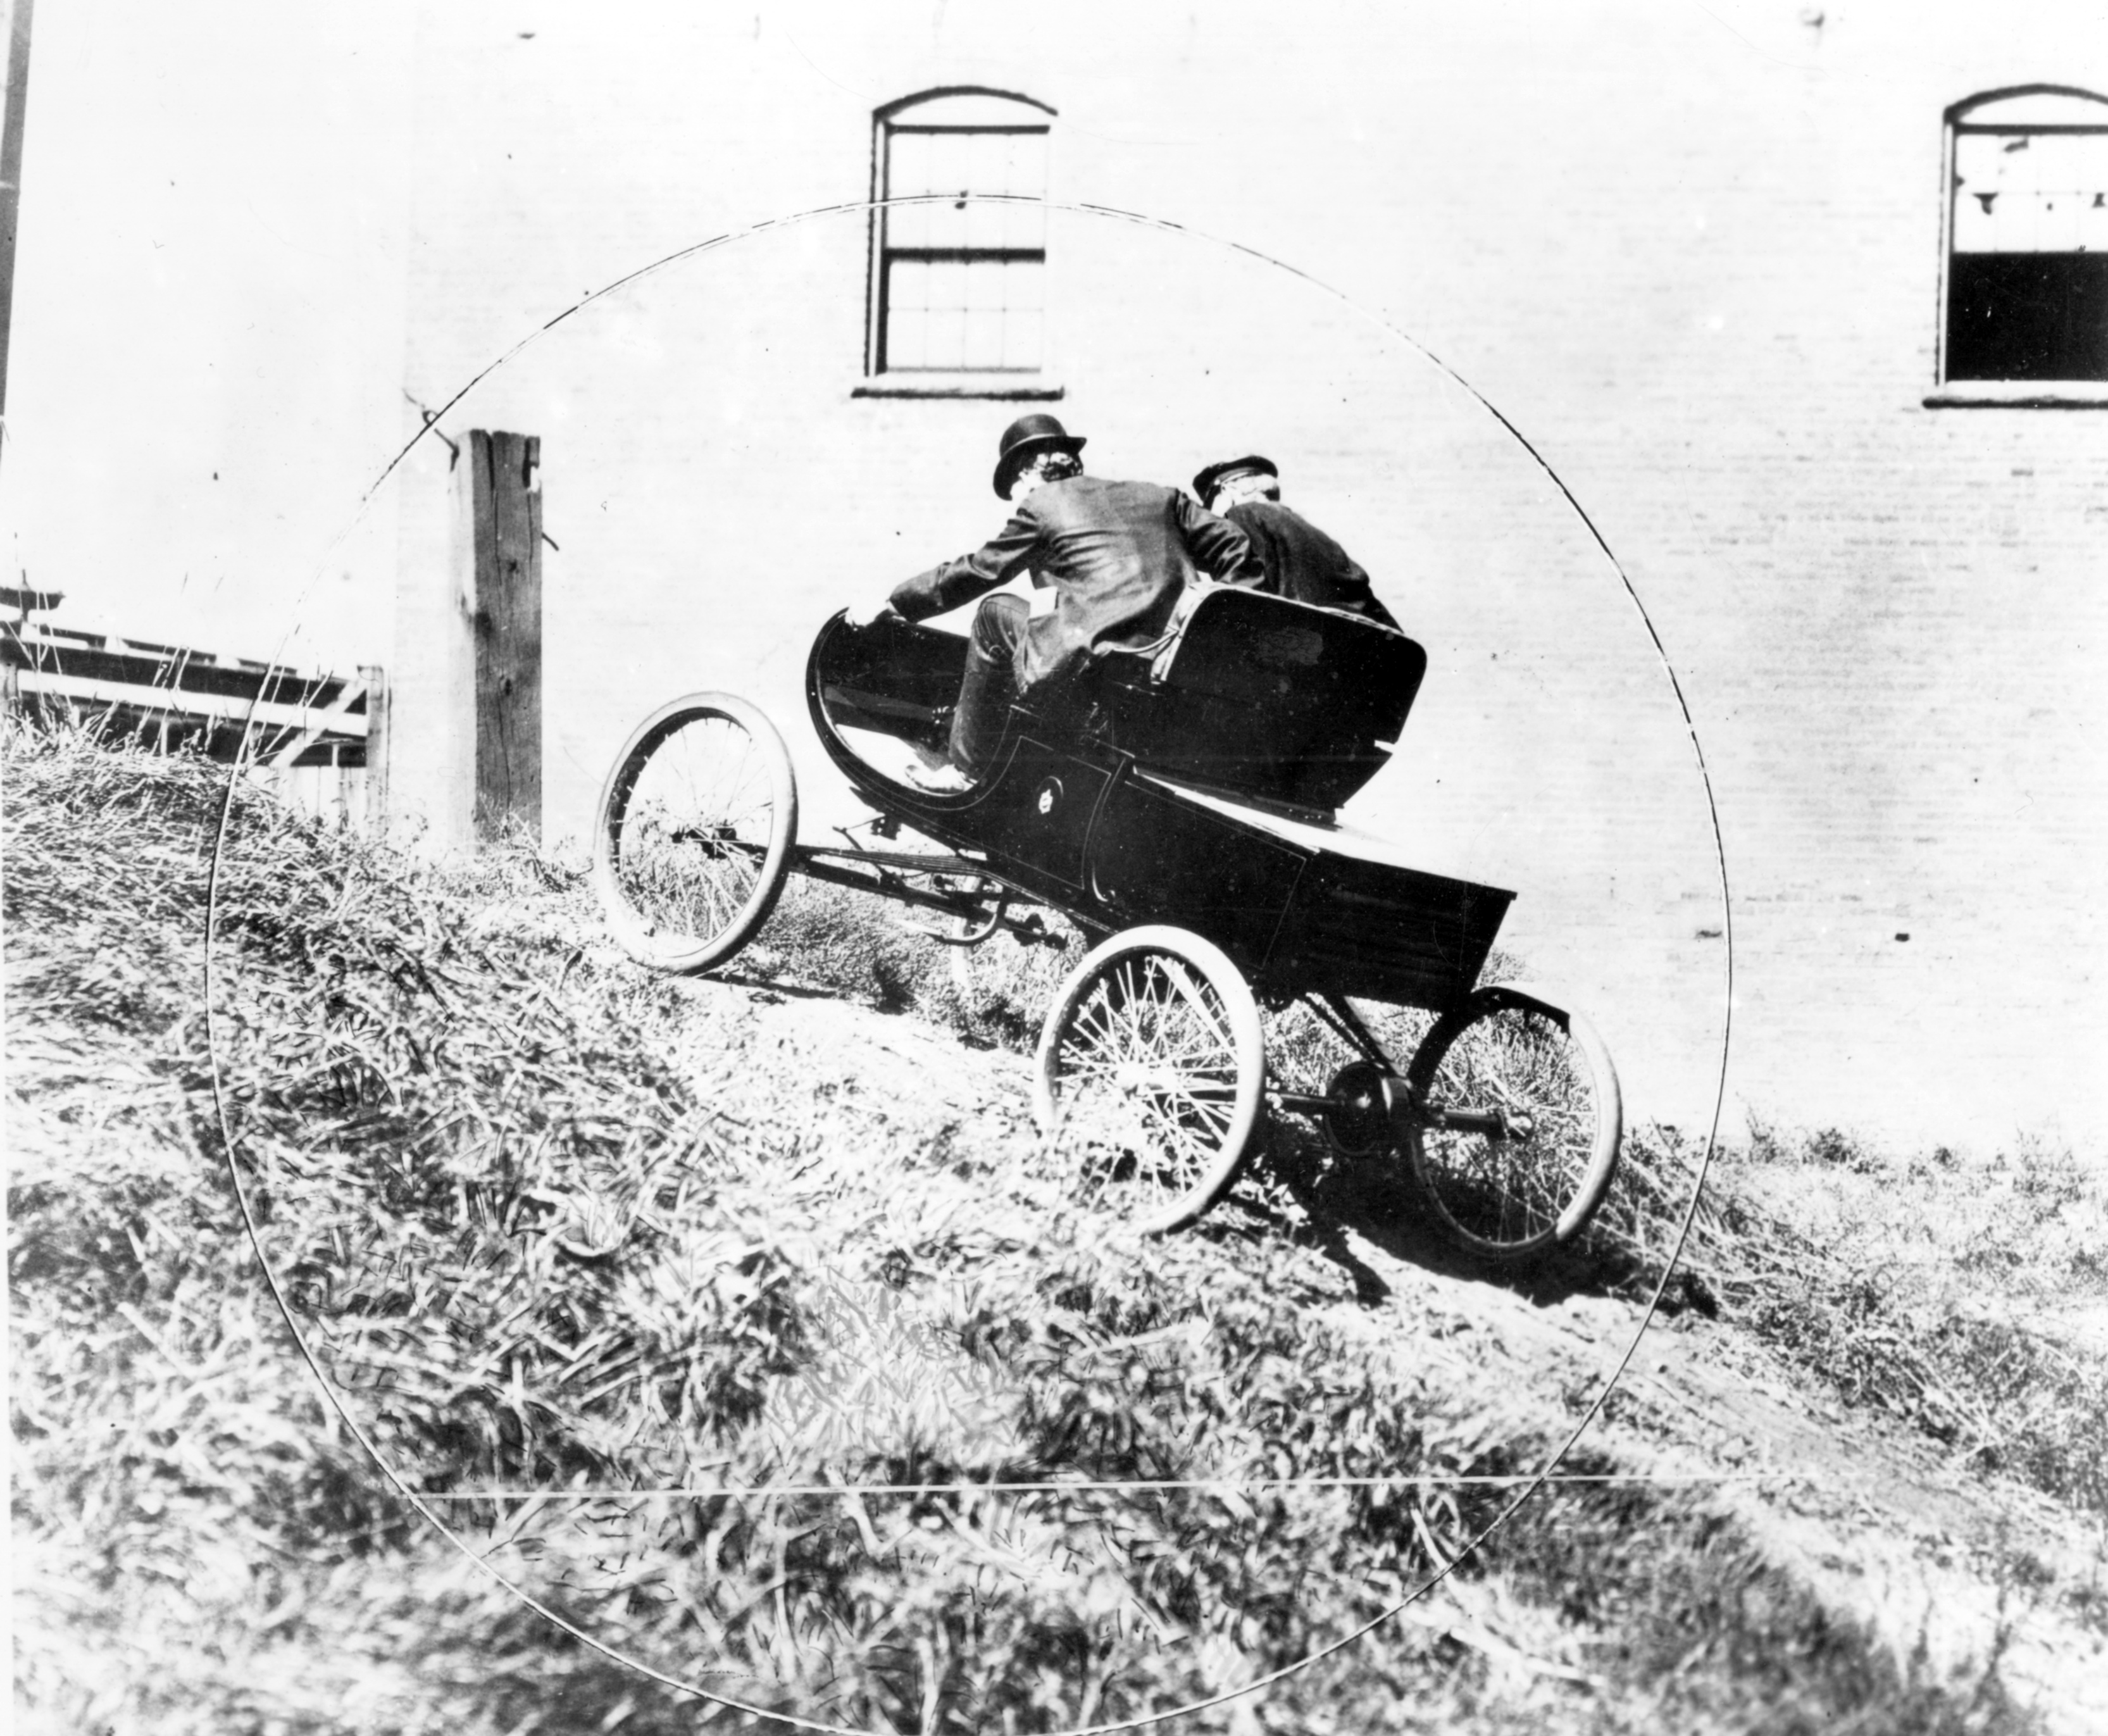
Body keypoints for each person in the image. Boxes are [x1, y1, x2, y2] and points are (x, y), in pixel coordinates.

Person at [851, 414, 1264, 790]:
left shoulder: (1041, 504)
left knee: (995, 612)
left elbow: (979, 569)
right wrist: (1219, 630)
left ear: (1026, 474)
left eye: (1012, 489)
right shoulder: (1159, 497)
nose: (1014, 499)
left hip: (1096, 671)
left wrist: (894, 602)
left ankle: (964, 769)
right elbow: (1236, 546)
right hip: (1168, 671)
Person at [1189, 454, 1399, 631]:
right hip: (1362, 633)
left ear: (1227, 490)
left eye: (1209, 502)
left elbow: (1246, 586)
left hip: (1303, 633)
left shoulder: (1239, 514)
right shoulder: (1318, 535)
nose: (1208, 513)